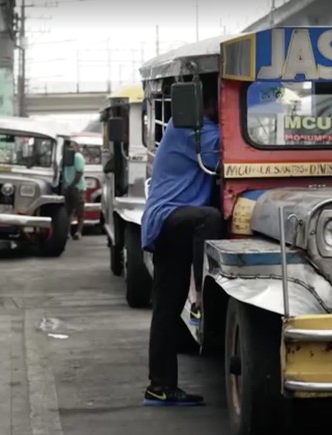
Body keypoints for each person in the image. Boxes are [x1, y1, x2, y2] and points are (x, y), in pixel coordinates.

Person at [140, 77, 225, 407]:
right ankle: (205, 298)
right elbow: (226, 158)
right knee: (210, 219)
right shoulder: (193, 129)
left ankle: (160, 386)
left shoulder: (202, 128)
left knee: (166, 309)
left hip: (169, 226)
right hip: (168, 219)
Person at [61, 140, 86, 240]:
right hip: (67, 187)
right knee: (67, 212)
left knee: (80, 211)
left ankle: (78, 232)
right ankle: (67, 232)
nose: (70, 148)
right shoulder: (64, 157)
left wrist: (72, 184)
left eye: (72, 146)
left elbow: (79, 172)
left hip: (77, 188)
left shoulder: (77, 157)